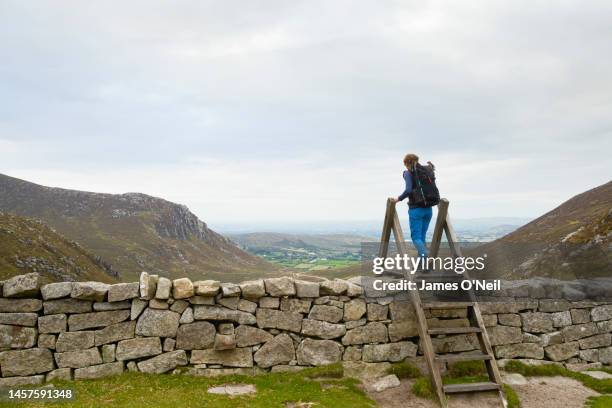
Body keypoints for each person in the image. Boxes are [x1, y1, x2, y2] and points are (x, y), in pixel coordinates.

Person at [391, 153, 439, 259]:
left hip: (416, 210)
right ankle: (422, 265)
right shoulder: (426, 170)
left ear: (406, 163)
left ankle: (425, 257)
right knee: (422, 237)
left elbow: (408, 190)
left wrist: (398, 199)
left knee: (416, 238)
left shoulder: (408, 173)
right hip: (428, 209)